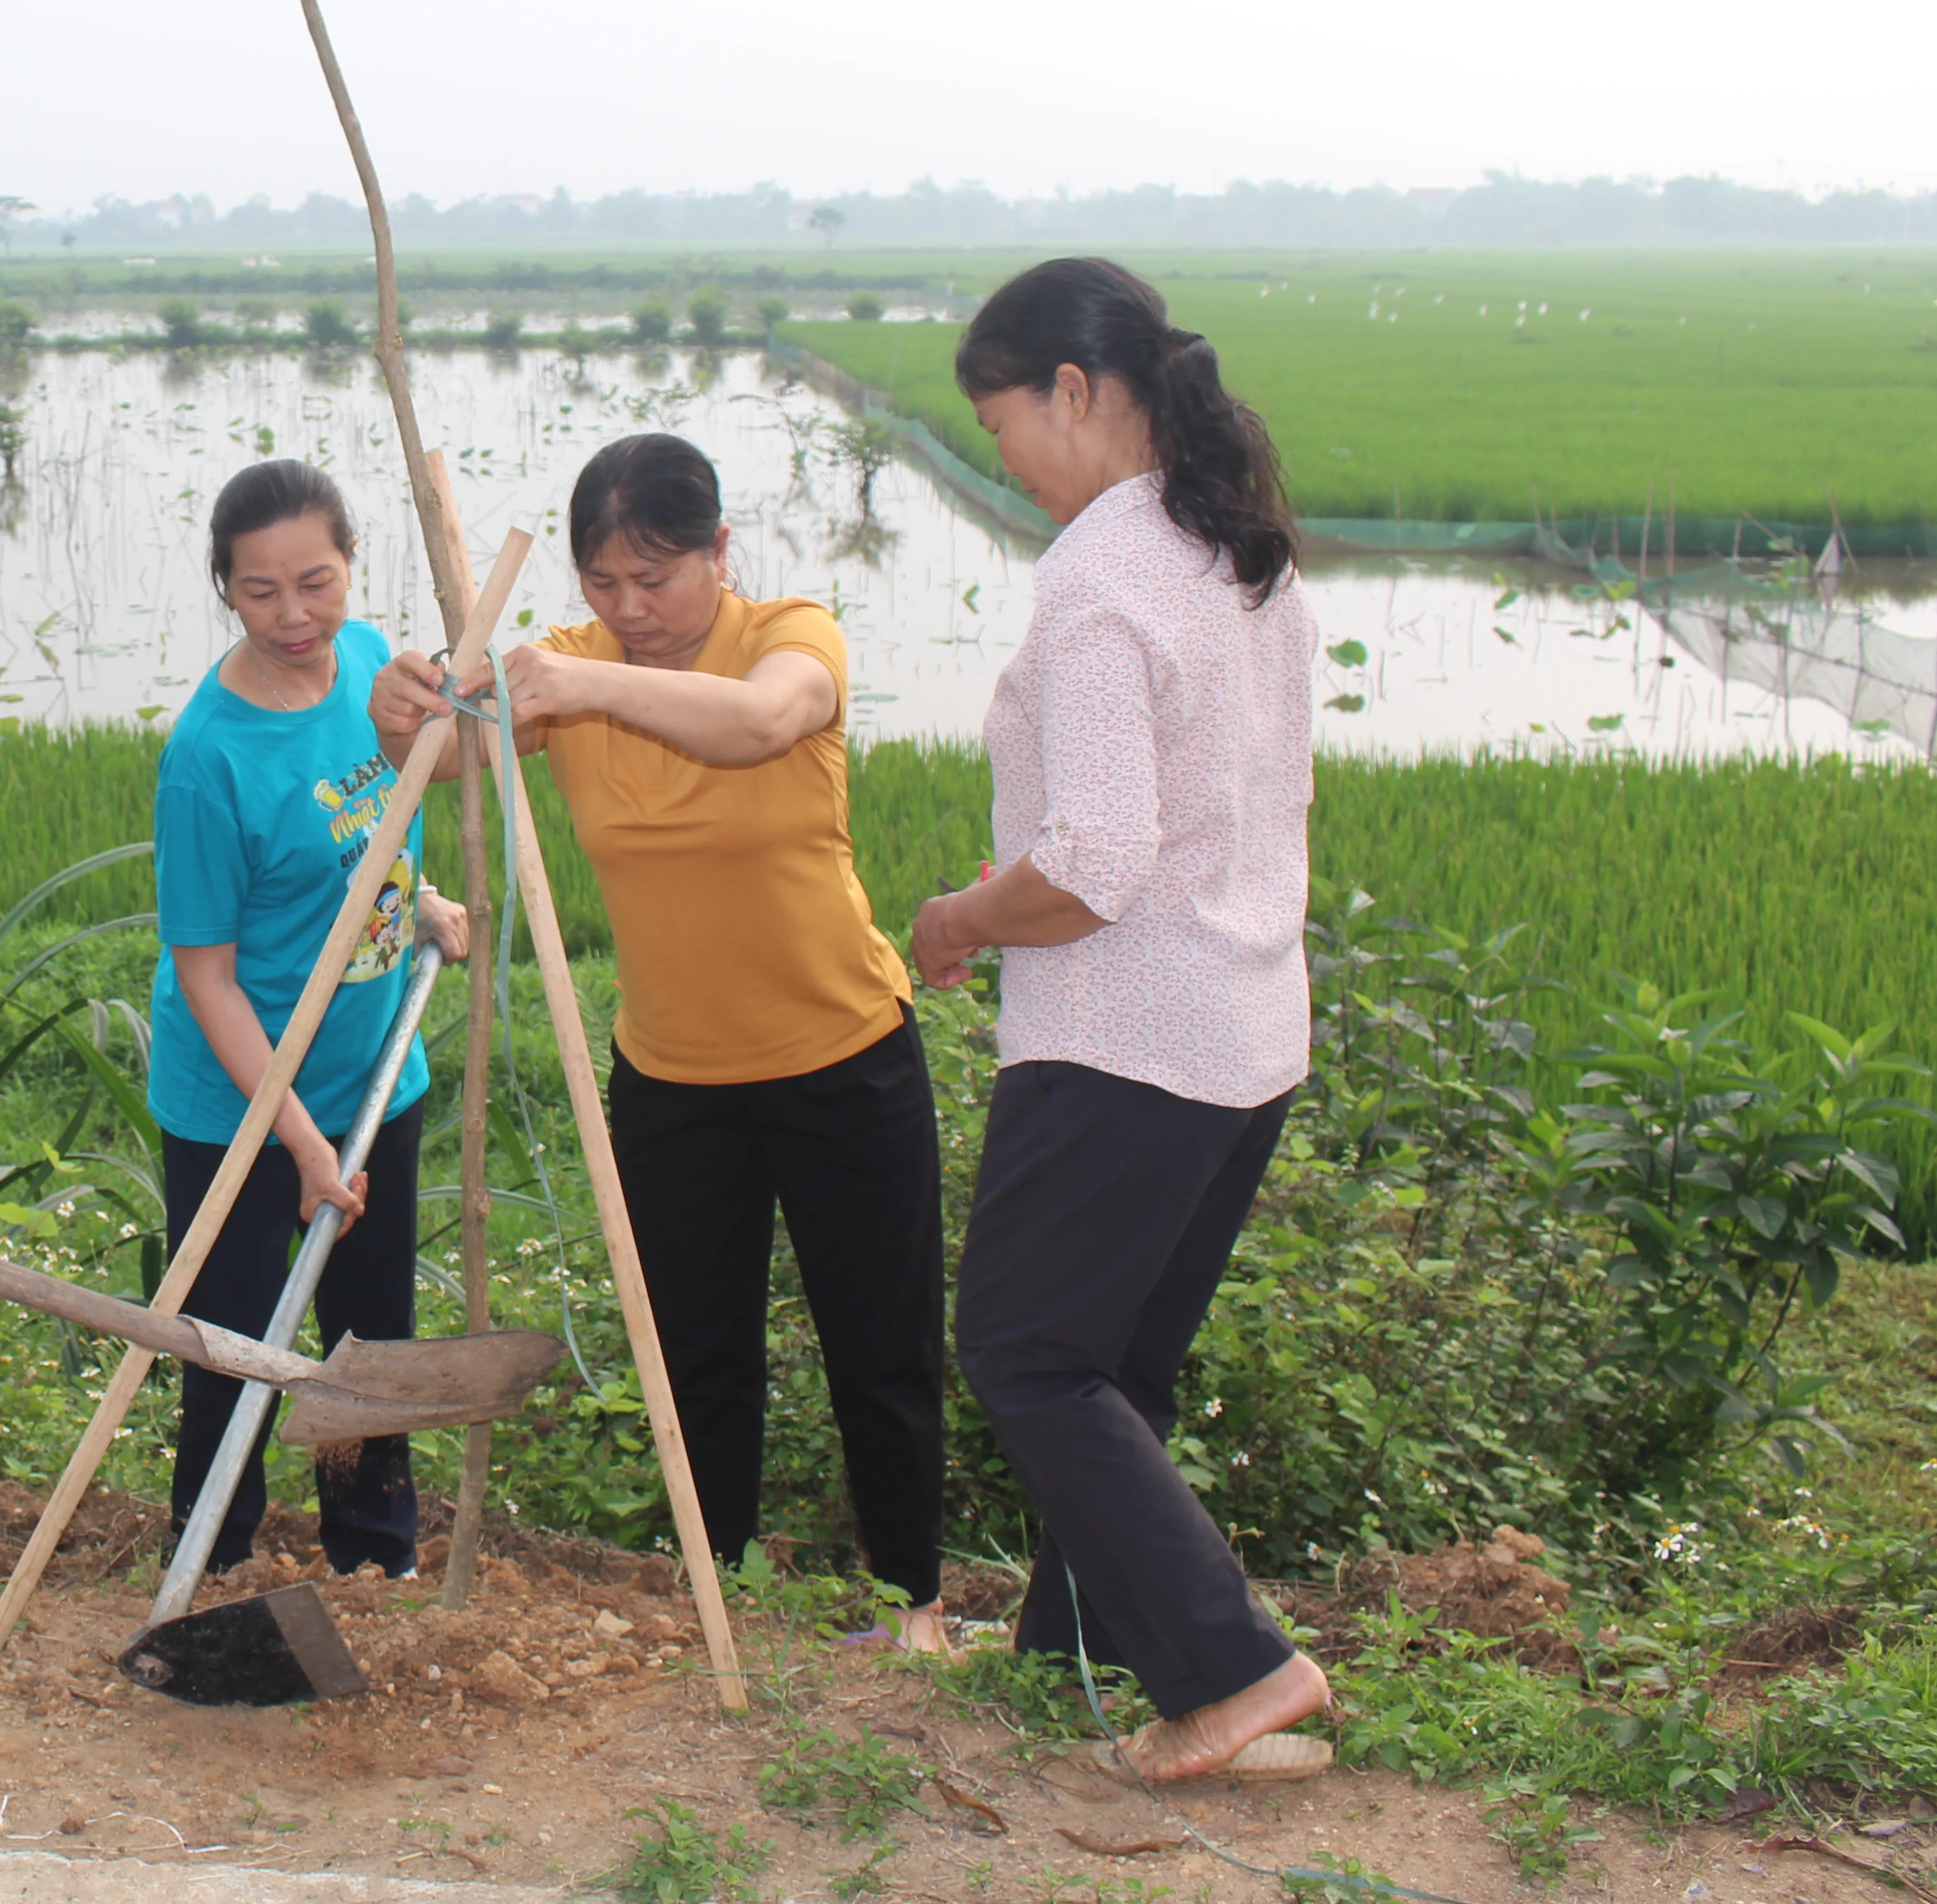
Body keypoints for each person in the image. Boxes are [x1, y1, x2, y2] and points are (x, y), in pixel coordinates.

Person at [374, 434, 951, 1652]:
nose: (630, 610)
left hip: (843, 1056)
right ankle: (717, 1592)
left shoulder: (788, 638)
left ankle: (916, 1605)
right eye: (604, 583)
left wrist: (587, 685)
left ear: (719, 552)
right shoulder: (569, 664)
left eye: (657, 577)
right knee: (695, 1351)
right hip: (674, 1081)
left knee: (880, 1344)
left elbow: (758, 724)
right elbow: (450, 757)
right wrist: (402, 712)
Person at [906, 256, 1330, 1782]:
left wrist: (966, 918)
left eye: (1003, 422)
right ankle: (1073, 1649)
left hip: (1126, 1041)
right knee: (1115, 1367)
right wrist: (1022, 887)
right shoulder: (1237, 551)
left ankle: (1237, 1672)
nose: (1006, 456)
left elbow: (1094, 864)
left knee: (1025, 1352)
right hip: (1245, 1032)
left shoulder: (1099, 576)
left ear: (1075, 392)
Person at [150, 461, 470, 1577]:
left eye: (316, 583)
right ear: (226, 589)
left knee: (370, 1341)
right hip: (241, 1108)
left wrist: (418, 902)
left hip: (374, 1073)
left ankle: (373, 1557)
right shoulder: (208, 760)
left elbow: (367, 830)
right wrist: (297, 1142)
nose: (294, 615)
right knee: (235, 1348)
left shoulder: (374, 666)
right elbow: (209, 980)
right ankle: (214, 1565)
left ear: (351, 565)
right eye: (260, 591)